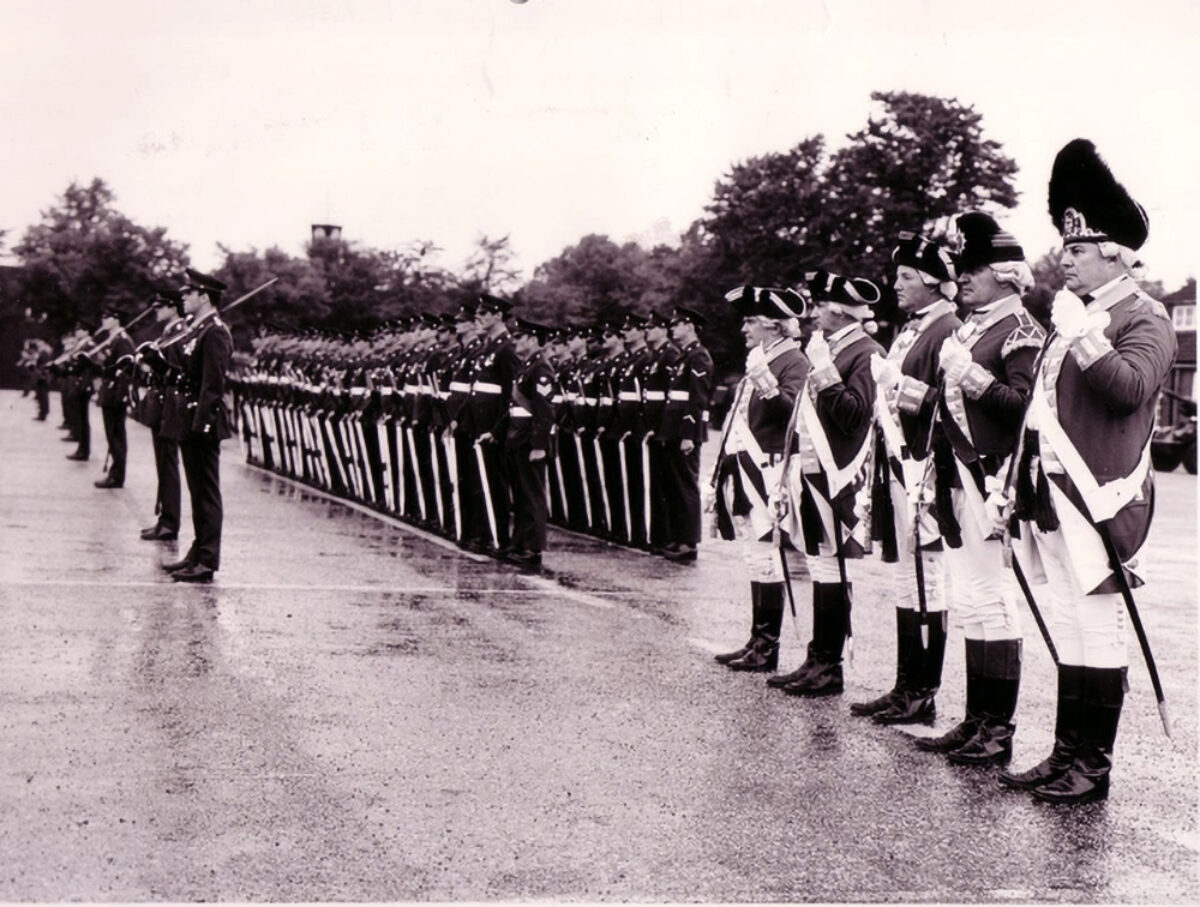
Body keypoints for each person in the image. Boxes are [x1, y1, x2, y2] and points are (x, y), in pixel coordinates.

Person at [999, 139, 1176, 803]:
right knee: (1071, 622)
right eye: (1064, 247)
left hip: (1103, 497)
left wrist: (1085, 336)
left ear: (1112, 251)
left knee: (1098, 625)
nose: (1063, 259)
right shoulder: (1076, 316)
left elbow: (1129, 389)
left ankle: (1092, 765)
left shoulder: (1145, 316)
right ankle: (1066, 752)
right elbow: (1041, 414)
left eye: (1076, 249)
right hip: (1056, 497)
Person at [915, 213, 1044, 764]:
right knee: (969, 599)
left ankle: (998, 728)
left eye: (974, 268)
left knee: (993, 599)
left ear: (1008, 274)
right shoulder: (972, 327)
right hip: (957, 476)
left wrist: (972, 376)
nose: (961, 276)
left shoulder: (1022, 331)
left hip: (993, 479)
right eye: (960, 268)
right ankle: (975, 719)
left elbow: (1023, 410)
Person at [853, 232, 962, 724]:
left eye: (905, 277)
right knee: (906, 578)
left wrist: (903, 389)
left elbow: (947, 405)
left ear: (934, 283)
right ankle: (905, 684)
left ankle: (923, 689)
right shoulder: (912, 329)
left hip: (925, 467)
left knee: (928, 579)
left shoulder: (948, 330)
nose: (895, 285)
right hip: (898, 465)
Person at [770, 270, 884, 697]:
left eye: (819, 305)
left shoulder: (865, 352)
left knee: (833, 565)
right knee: (821, 564)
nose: (814, 312)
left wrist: (823, 371)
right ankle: (818, 658)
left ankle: (830, 666)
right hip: (816, 470)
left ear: (839, 310)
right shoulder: (831, 347)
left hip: (840, 472)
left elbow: (855, 415)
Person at [712, 286, 809, 673]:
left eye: (751, 320)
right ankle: (758, 638)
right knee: (756, 554)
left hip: (771, 467)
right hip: (750, 465)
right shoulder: (762, 357)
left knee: (768, 554)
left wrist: (768, 383)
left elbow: (794, 418)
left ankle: (768, 646)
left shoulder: (793, 361)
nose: (743, 328)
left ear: (774, 325)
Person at [162, 268, 234, 584]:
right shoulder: (198, 329)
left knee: (206, 492)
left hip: (203, 421)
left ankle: (207, 559)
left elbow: (213, 385)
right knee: (197, 491)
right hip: (190, 417)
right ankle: (198, 551)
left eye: (188, 294)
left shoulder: (215, 331)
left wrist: (200, 423)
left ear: (203, 296)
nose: (183, 299)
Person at [659, 306, 715, 563]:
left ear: (690, 326)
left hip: (685, 433)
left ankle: (688, 541)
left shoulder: (698, 357)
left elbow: (698, 399)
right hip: (673, 431)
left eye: (678, 323)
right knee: (674, 487)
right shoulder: (684, 357)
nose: (673, 327)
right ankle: (677, 537)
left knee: (686, 487)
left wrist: (689, 435)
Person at [504, 319, 557, 571]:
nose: (516, 341)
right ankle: (520, 543)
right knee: (522, 494)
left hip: (529, 441)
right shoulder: (527, 367)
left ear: (534, 340)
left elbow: (544, 411)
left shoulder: (541, 369)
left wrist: (540, 445)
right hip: (518, 438)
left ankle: (533, 548)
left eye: (521, 337)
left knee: (532, 495)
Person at [139, 288, 191, 540]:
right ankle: (164, 517)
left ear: (172, 307)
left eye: (161, 307)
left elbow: (177, 369)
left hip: (169, 404)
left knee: (168, 463)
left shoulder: (181, 331)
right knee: (163, 463)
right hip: (160, 402)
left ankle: (170, 521)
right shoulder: (168, 332)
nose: (157, 311)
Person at [92, 304, 136, 489]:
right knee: (112, 434)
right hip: (110, 390)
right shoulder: (113, 339)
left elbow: (126, 370)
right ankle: (115, 472)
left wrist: (120, 396)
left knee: (116, 435)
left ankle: (117, 475)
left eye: (107, 316)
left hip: (115, 393)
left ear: (116, 319)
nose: (104, 320)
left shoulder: (122, 340)